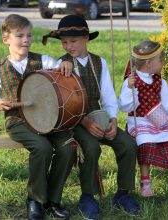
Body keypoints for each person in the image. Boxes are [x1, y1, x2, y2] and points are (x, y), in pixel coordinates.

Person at [42, 15, 140, 219]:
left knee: (128, 144)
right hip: (75, 121)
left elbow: (108, 96)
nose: (68, 46)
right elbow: (64, 107)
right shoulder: (61, 65)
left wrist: (112, 119)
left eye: (73, 41)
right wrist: (85, 122)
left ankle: (123, 193)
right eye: (64, 42)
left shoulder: (99, 62)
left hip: (99, 117)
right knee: (91, 147)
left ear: (86, 38)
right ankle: (87, 196)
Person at [0, 14, 77, 220]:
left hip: (48, 118)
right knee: (42, 147)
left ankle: (54, 199)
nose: (26, 40)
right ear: (6, 39)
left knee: (68, 147)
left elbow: (61, 69)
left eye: (29, 35)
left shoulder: (43, 60)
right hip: (18, 121)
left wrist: (66, 64)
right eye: (20, 35)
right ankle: (35, 199)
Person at [118, 40, 168, 197]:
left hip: (160, 121)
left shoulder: (159, 81)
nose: (163, 63)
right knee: (144, 142)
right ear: (149, 63)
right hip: (141, 122)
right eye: (161, 60)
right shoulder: (131, 81)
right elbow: (126, 107)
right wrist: (131, 89)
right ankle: (145, 182)